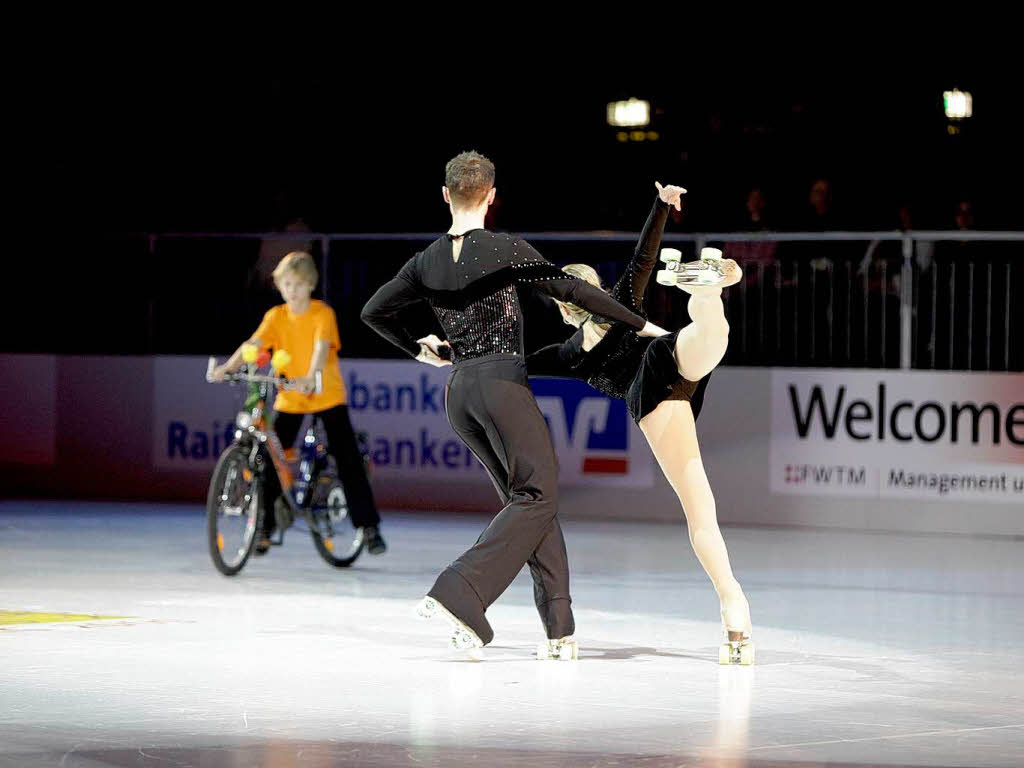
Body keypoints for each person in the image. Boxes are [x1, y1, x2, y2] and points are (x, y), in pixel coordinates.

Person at [360, 151, 665, 658]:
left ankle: (559, 630)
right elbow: (572, 290)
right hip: (502, 383)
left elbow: (374, 311)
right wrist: (644, 325)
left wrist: (420, 348)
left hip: (460, 393)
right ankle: (461, 589)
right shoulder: (503, 249)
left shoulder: (426, 260)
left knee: (529, 502)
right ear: (492, 196)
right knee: (538, 497)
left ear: (445, 195)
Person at [523, 181, 754, 662]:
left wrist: (455, 356)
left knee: (700, 512)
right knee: (709, 333)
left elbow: (513, 365)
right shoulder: (619, 303)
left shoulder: (568, 353)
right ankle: (705, 294)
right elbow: (644, 257)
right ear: (596, 293)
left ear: (564, 310)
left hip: (656, 399)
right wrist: (661, 205)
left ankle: (736, 613)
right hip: (671, 361)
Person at [211, 251, 386, 555]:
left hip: (325, 394)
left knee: (347, 459)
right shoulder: (275, 316)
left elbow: (320, 350)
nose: (292, 290)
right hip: (290, 397)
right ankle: (265, 528)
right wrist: (228, 367)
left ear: (310, 286)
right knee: (271, 461)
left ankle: (368, 528)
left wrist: (310, 376)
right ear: (279, 286)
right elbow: (253, 344)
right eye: (287, 284)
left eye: (299, 284)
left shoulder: (322, 314)